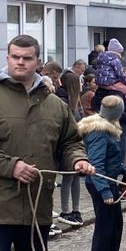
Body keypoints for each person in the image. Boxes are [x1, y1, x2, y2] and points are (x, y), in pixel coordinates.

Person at [0, 34, 95, 251]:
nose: (20, 63)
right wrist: (11, 166)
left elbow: (70, 142)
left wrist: (77, 159)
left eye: (27, 58)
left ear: (38, 62)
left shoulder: (55, 105)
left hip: (37, 208)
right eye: (15, 57)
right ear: (7, 59)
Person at [80, 95, 126, 251]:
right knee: (104, 224)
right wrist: (104, 190)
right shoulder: (99, 133)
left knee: (115, 222)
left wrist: (124, 170)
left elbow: (110, 160)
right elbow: (96, 164)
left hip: (110, 181)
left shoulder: (107, 128)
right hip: (100, 184)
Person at [56, 71, 86, 227]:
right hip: (66, 145)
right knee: (68, 178)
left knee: (76, 178)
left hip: (76, 144)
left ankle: (75, 209)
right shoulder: (62, 100)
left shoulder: (75, 101)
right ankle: (65, 210)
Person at [95, 38, 126, 114]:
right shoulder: (115, 59)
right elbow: (120, 74)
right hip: (110, 83)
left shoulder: (100, 57)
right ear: (117, 51)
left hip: (100, 83)